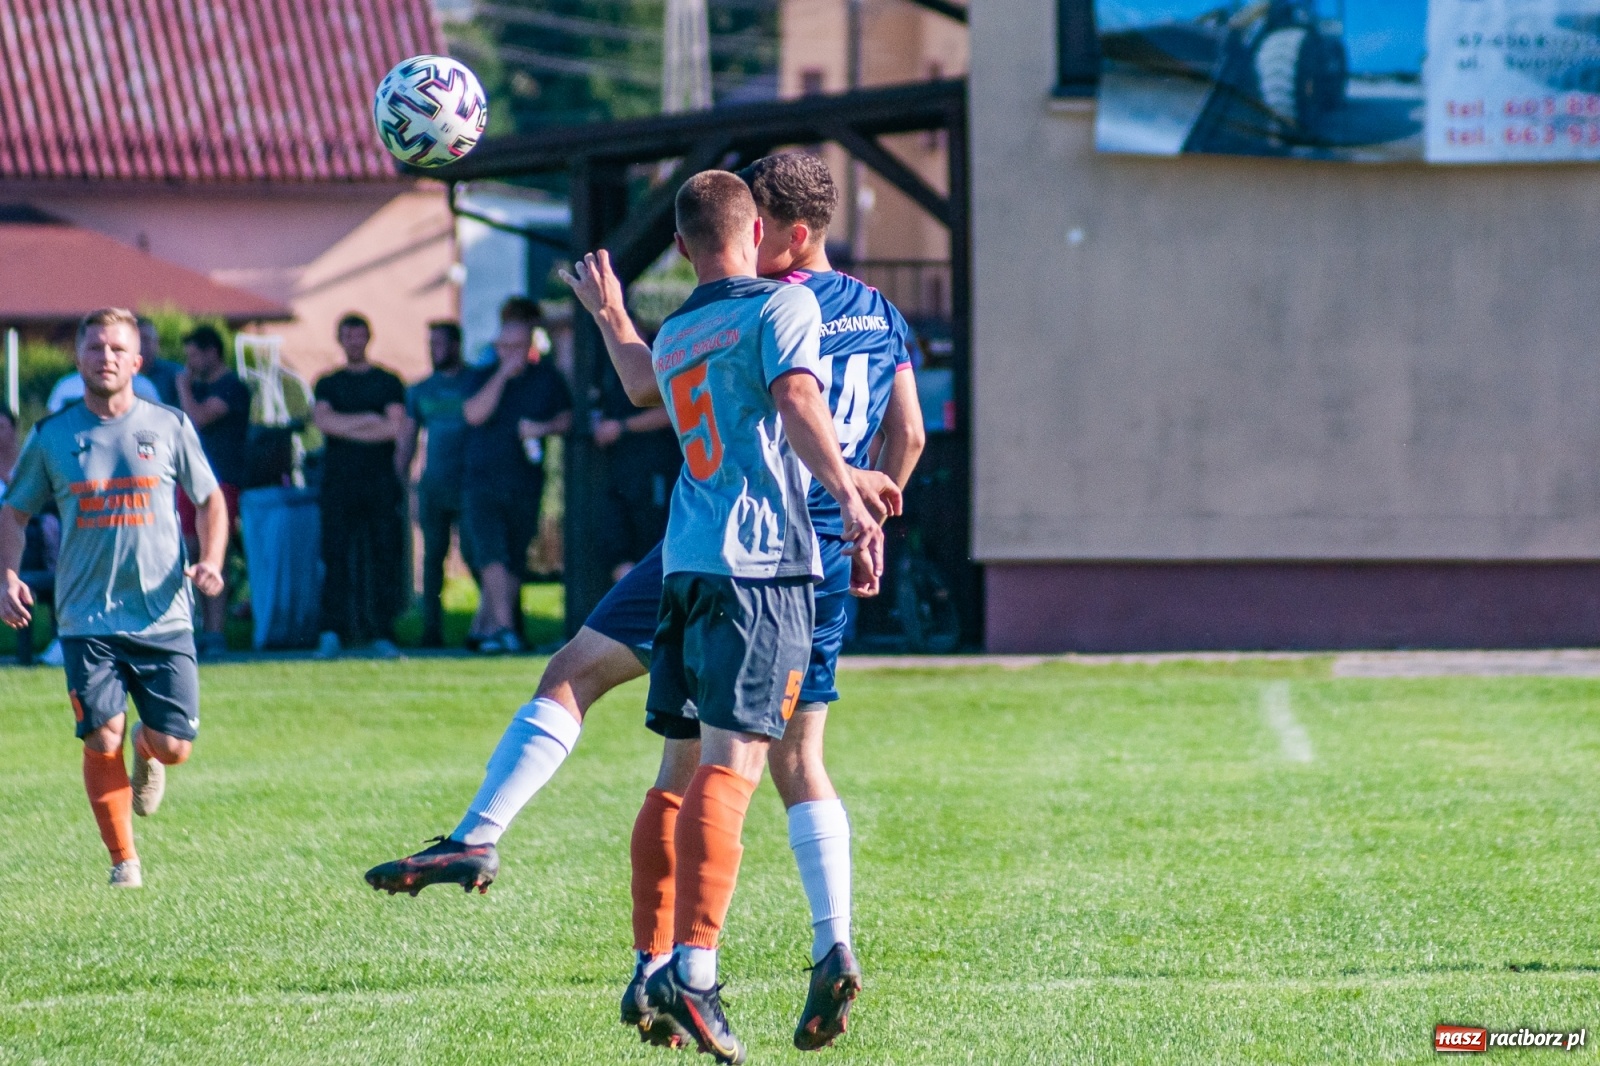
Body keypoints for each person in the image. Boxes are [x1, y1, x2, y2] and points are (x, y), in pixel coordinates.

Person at [367, 165, 909, 1061]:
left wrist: (612, 312)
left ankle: (506, 855)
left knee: (649, 741)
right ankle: (693, 973)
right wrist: (850, 488)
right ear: (757, 233)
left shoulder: (690, 322)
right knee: (739, 767)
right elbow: (804, 400)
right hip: (763, 564)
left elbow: (639, 380)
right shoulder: (789, 308)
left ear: (688, 246)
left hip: (686, 560)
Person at [0, 307, 227, 888]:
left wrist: (211, 560)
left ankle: (150, 754)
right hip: (85, 617)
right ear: (79, 360)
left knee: (175, 745)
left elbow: (211, 501)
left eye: (117, 349)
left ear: (137, 361)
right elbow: (15, 511)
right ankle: (124, 861)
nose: (106, 357)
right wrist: (8, 573)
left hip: (163, 614)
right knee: (102, 734)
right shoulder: (53, 435)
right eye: (95, 348)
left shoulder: (170, 424)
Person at [460, 298, 572, 654]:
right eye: (503, 347)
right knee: (490, 553)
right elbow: (473, 415)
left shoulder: (546, 379)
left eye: (516, 348)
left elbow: (568, 418)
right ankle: (504, 627)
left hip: (524, 480)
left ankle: (494, 629)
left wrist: (542, 427)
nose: (509, 354)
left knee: (514, 555)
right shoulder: (481, 374)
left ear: (529, 348)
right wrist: (501, 376)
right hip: (481, 479)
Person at [312, 314, 407, 659]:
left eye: (359, 335)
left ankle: (382, 631)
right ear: (340, 339)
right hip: (338, 483)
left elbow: (392, 428)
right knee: (334, 557)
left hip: (379, 482)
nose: (353, 341)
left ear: (368, 338)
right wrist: (369, 419)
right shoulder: (328, 383)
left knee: (383, 555)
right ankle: (332, 631)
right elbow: (324, 421)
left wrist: (347, 424)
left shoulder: (388, 381)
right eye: (348, 335)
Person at [396, 321, 474, 648]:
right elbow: (408, 438)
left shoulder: (475, 382)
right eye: (431, 344)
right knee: (432, 559)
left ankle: (495, 623)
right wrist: (402, 478)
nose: (434, 350)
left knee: (477, 553)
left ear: (456, 346)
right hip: (434, 485)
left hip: (471, 482)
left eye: (440, 343)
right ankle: (432, 629)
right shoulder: (420, 390)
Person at [173, 325, 250, 657]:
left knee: (214, 552)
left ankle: (216, 630)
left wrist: (183, 387)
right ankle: (196, 625)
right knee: (189, 551)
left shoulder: (232, 387)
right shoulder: (200, 387)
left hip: (222, 481)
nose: (189, 364)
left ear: (212, 352)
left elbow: (197, 418)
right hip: (188, 481)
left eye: (193, 355)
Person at [593, 360, 680, 583]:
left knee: (651, 542)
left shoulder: (662, 356)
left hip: (657, 468)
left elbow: (676, 410)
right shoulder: (603, 365)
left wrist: (622, 427)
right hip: (617, 470)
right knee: (615, 543)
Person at [136, 317, 183, 407]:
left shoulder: (175, 374)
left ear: (157, 344)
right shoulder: (120, 374)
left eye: (146, 339)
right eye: (137, 340)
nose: (141, 345)